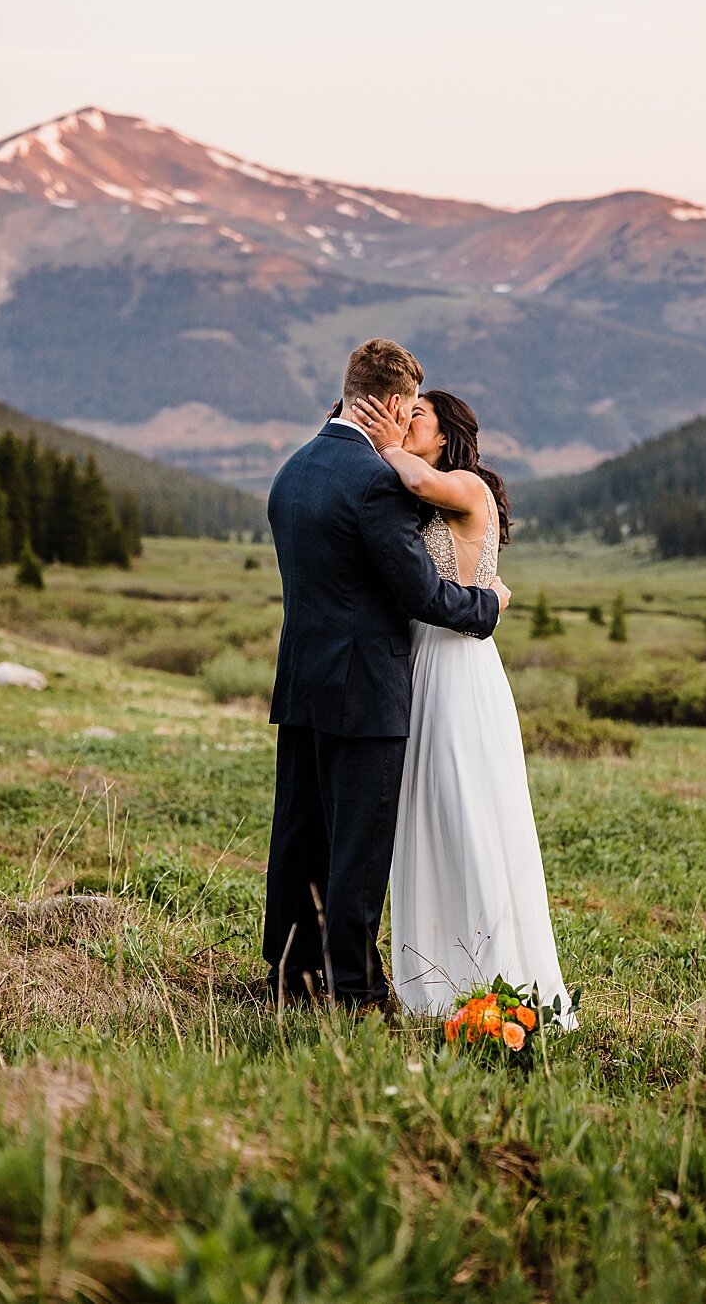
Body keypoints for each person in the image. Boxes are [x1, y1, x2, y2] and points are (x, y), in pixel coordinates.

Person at [263, 339, 510, 1012]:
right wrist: (488, 604)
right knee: (358, 849)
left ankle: (290, 977)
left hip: (302, 682)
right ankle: (357, 991)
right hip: (366, 689)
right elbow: (423, 595)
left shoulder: (293, 470)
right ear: (395, 406)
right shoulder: (374, 482)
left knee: (299, 837)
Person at [347, 389, 577, 1027]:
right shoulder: (412, 494)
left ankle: (500, 981)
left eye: (414, 415)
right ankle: (435, 988)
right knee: (422, 821)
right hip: (416, 666)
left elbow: (413, 474)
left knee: (467, 813)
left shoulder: (467, 487)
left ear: (444, 436)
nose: (402, 422)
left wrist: (383, 440)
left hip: (459, 670)